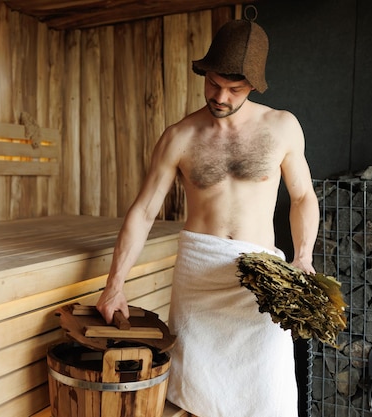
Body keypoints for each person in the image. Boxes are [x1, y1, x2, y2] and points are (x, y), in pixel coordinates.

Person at [96, 19, 319, 417]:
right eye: (214, 83)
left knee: (267, 394)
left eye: (234, 90)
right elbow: (144, 210)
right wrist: (115, 285)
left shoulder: (282, 127)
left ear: (253, 85)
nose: (220, 96)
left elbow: (303, 197)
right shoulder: (179, 136)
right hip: (198, 281)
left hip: (260, 284)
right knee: (191, 397)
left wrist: (302, 257)